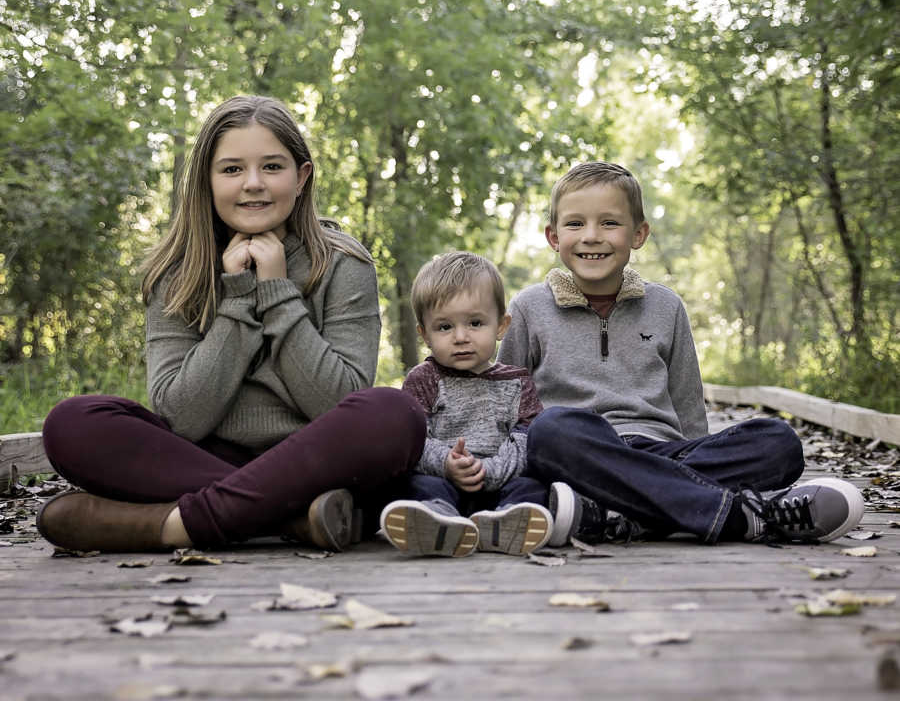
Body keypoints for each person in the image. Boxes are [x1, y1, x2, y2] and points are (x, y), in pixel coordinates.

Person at [37, 95, 425, 554]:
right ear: (207, 179)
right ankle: (292, 517)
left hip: (319, 462)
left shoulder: (343, 263)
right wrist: (238, 299)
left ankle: (173, 526)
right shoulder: (177, 273)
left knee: (394, 415)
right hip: (204, 457)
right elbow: (182, 416)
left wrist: (277, 293)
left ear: (302, 177)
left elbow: (337, 401)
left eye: (273, 167)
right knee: (73, 422)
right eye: (232, 169)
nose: (253, 184)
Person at [498, 161, 865, 547]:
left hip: (660, 448)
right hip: (580, 453)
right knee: (549, 430)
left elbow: (687, 402)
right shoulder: (529, 307)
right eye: (575, 224)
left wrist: (690, 450)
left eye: (609, 223)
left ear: (638, 234)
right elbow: (506, 403)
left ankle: (617, 513)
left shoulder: (665, 306)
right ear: (553, 237)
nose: (592, 236)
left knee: (778, 442)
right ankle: (741, 515)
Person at [380, 251, 555, 558]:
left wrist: (488, 471)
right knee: (416, 483)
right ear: (425, 334)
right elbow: (413, 441)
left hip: (500, 482)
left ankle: (505, 522)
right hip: (443, 481)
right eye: (444, 327)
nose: (460, 337)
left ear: (501, 326)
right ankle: (437, 521)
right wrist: (447, 464)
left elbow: (526, 440)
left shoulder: (518, 381)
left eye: (475, 323)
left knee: (532, 487)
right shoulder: (424, 379)